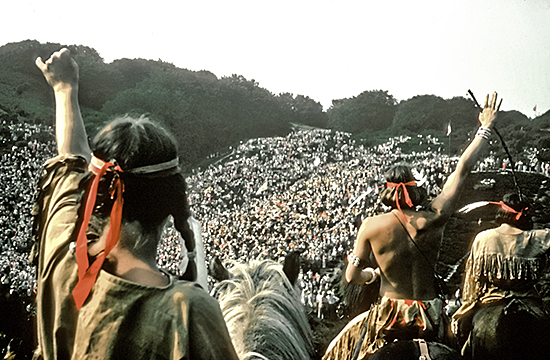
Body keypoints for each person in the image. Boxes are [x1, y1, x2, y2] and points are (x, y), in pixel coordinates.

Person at [31, 48, 238, 359]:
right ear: (171, 204)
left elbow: (69, 160)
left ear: (95, 194)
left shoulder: (61, 261)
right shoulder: (188, 311)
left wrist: (64, 89)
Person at [323, 92, 502, 360]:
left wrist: (372, 276)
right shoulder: (436, 216)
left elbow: (351, 277)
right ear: (416, 190)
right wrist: (485, 127)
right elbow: (462, 169)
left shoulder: (370, 226)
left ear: (387, 192)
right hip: (430, 315)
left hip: (389, 316)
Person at [451, 193, 550, 359]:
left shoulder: (483, 238)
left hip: (491, 298)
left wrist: (470, 302)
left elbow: (473, 279)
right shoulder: (536, 237)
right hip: (528, 299)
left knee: (460, 332)